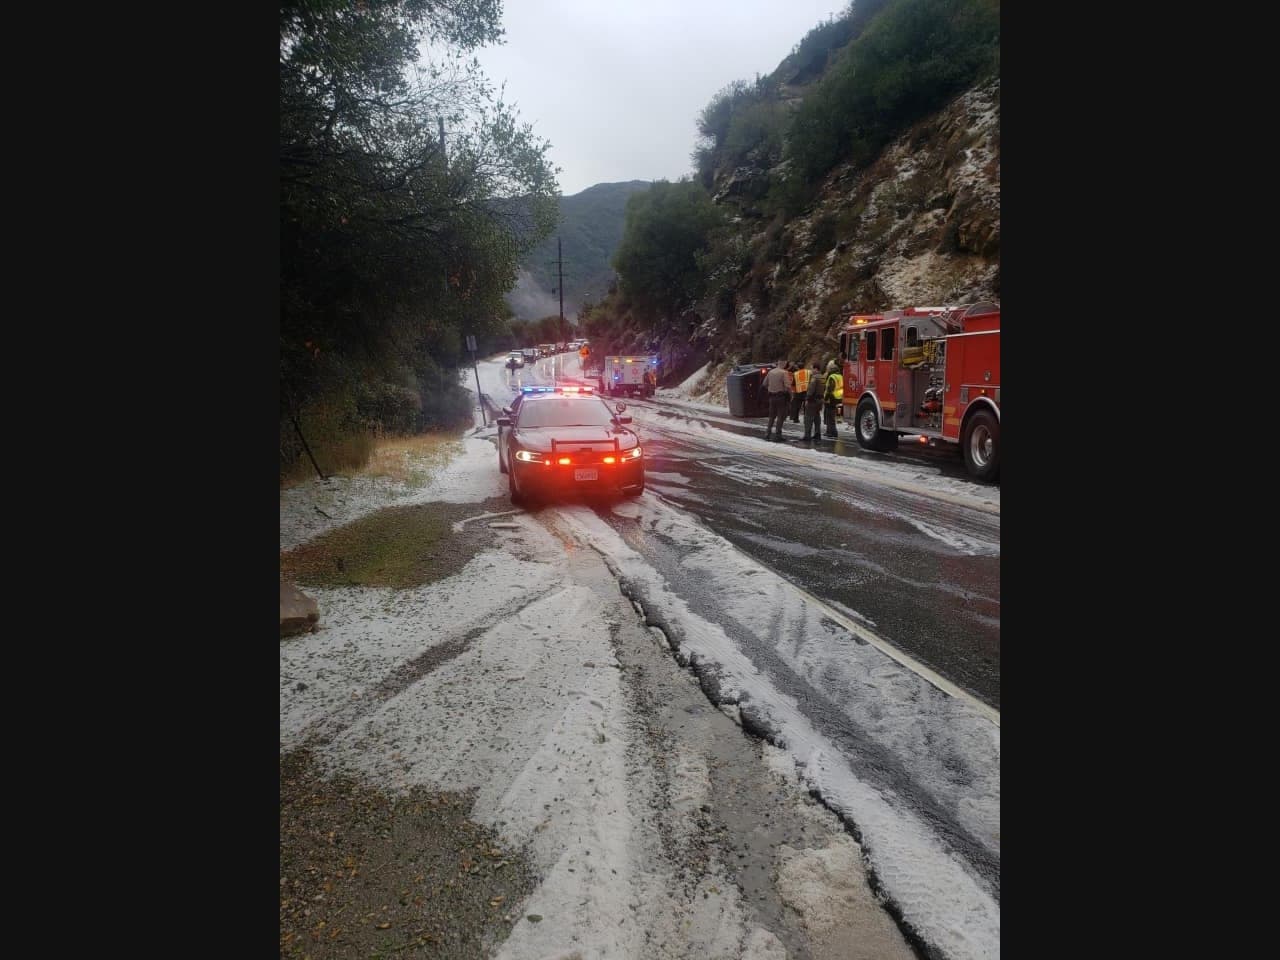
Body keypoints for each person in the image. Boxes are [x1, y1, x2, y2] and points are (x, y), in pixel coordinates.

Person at [762, 360, 791, 441]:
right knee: (780, 417)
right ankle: (778, 435)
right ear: (784, 365)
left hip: (771, 397)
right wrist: (790, 395)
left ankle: (767, 433)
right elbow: (788, 386)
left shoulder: (770, 372)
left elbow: (764, 383)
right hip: (781, 397)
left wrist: (770, 388)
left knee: (771, 416)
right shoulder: (784, 373)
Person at [802, 360, 824, 442]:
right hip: (820, 400)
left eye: (812, 369)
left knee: (808, 418)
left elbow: (811, 389)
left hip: (813, 400)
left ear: (816, 369)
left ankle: (807, 436)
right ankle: (817, 434)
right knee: (817, 418)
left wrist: (807, 399)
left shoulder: (814, 378)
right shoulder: (823, 377)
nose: (811, 370)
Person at [822, 358, 844, 440]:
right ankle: (832, 431)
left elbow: (829, 389)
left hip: (831, 398)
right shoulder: (840, 376)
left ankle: (830, 432)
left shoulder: (832, 377)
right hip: (839, 398)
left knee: (829, 416)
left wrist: (826, 398)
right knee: (834, 416)